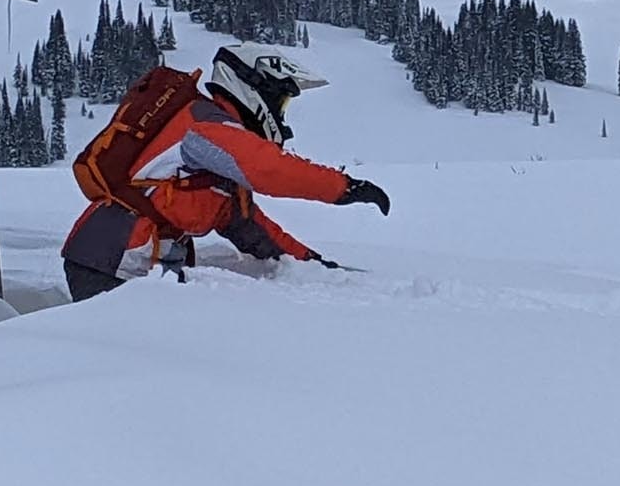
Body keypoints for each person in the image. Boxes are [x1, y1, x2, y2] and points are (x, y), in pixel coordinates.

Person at [61, 43, 390, 301]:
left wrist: (312, 265)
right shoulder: (205, 125)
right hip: (108, 262)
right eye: (281, 102)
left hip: (125, 265)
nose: (281, 115)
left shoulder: (220, 167)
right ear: (255, 88)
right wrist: (343, 187)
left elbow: (253, 229)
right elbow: (269, 168)